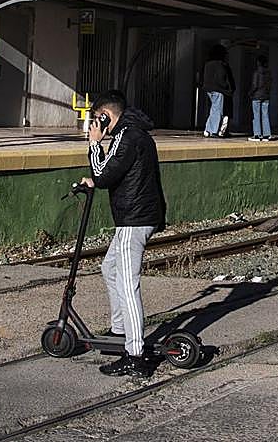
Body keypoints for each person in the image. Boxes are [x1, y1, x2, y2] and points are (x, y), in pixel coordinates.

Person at [77, 90, 166, 378]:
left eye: (97, 118)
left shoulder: (126, 136)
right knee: (110, 268)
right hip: (140, 215)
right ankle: (119, 331)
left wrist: (94, 144)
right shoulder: (135, 134)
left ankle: (135, 354)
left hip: (133, 220)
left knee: (128, 285)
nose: (95, 123)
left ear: (106, 116)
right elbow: (119, 172)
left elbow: (103, 176)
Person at [202, 45, 233, 137]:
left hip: (208, 89)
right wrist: (226, 87)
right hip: (219, 89)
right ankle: (213, 130)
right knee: (217, 110)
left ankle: (208, 129)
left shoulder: (208, 64)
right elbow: (222, 77)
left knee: (213, 108)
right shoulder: (220, 64)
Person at [249, 55, 272, 141]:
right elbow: (270, 85)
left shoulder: (256, 73)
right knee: (265, 115)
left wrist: (250, 93)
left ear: (258, 62)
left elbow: (255, 85)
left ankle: (257, 135)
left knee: (256, 115)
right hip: (266, 96)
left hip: (257, 96)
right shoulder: (269, 73)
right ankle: (267, 134)